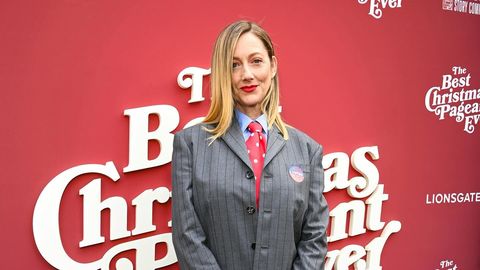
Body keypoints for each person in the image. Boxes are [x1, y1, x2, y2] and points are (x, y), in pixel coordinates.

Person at [171, 20, 329, 270]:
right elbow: (187, 236)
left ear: (273, 66)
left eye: (256, 61)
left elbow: (314, 237)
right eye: (234, 65)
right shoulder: (190, 145)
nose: (247, 74)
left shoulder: (307, 149)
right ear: (223, 73)